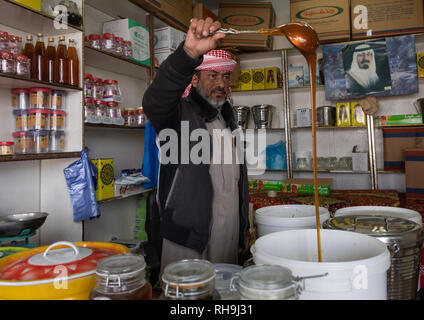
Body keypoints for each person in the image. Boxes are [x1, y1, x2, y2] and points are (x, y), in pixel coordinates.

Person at [142, 18, 250, 273]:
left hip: (228, 232)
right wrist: (188, 54)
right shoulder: (177, 115)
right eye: (212, 75)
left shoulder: (229, 121)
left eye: (225, 76)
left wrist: (243, 229)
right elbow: (154, 101)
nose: (221, 84)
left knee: (224, 293)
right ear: (193, 80)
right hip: (187, 237)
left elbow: (237, 182)